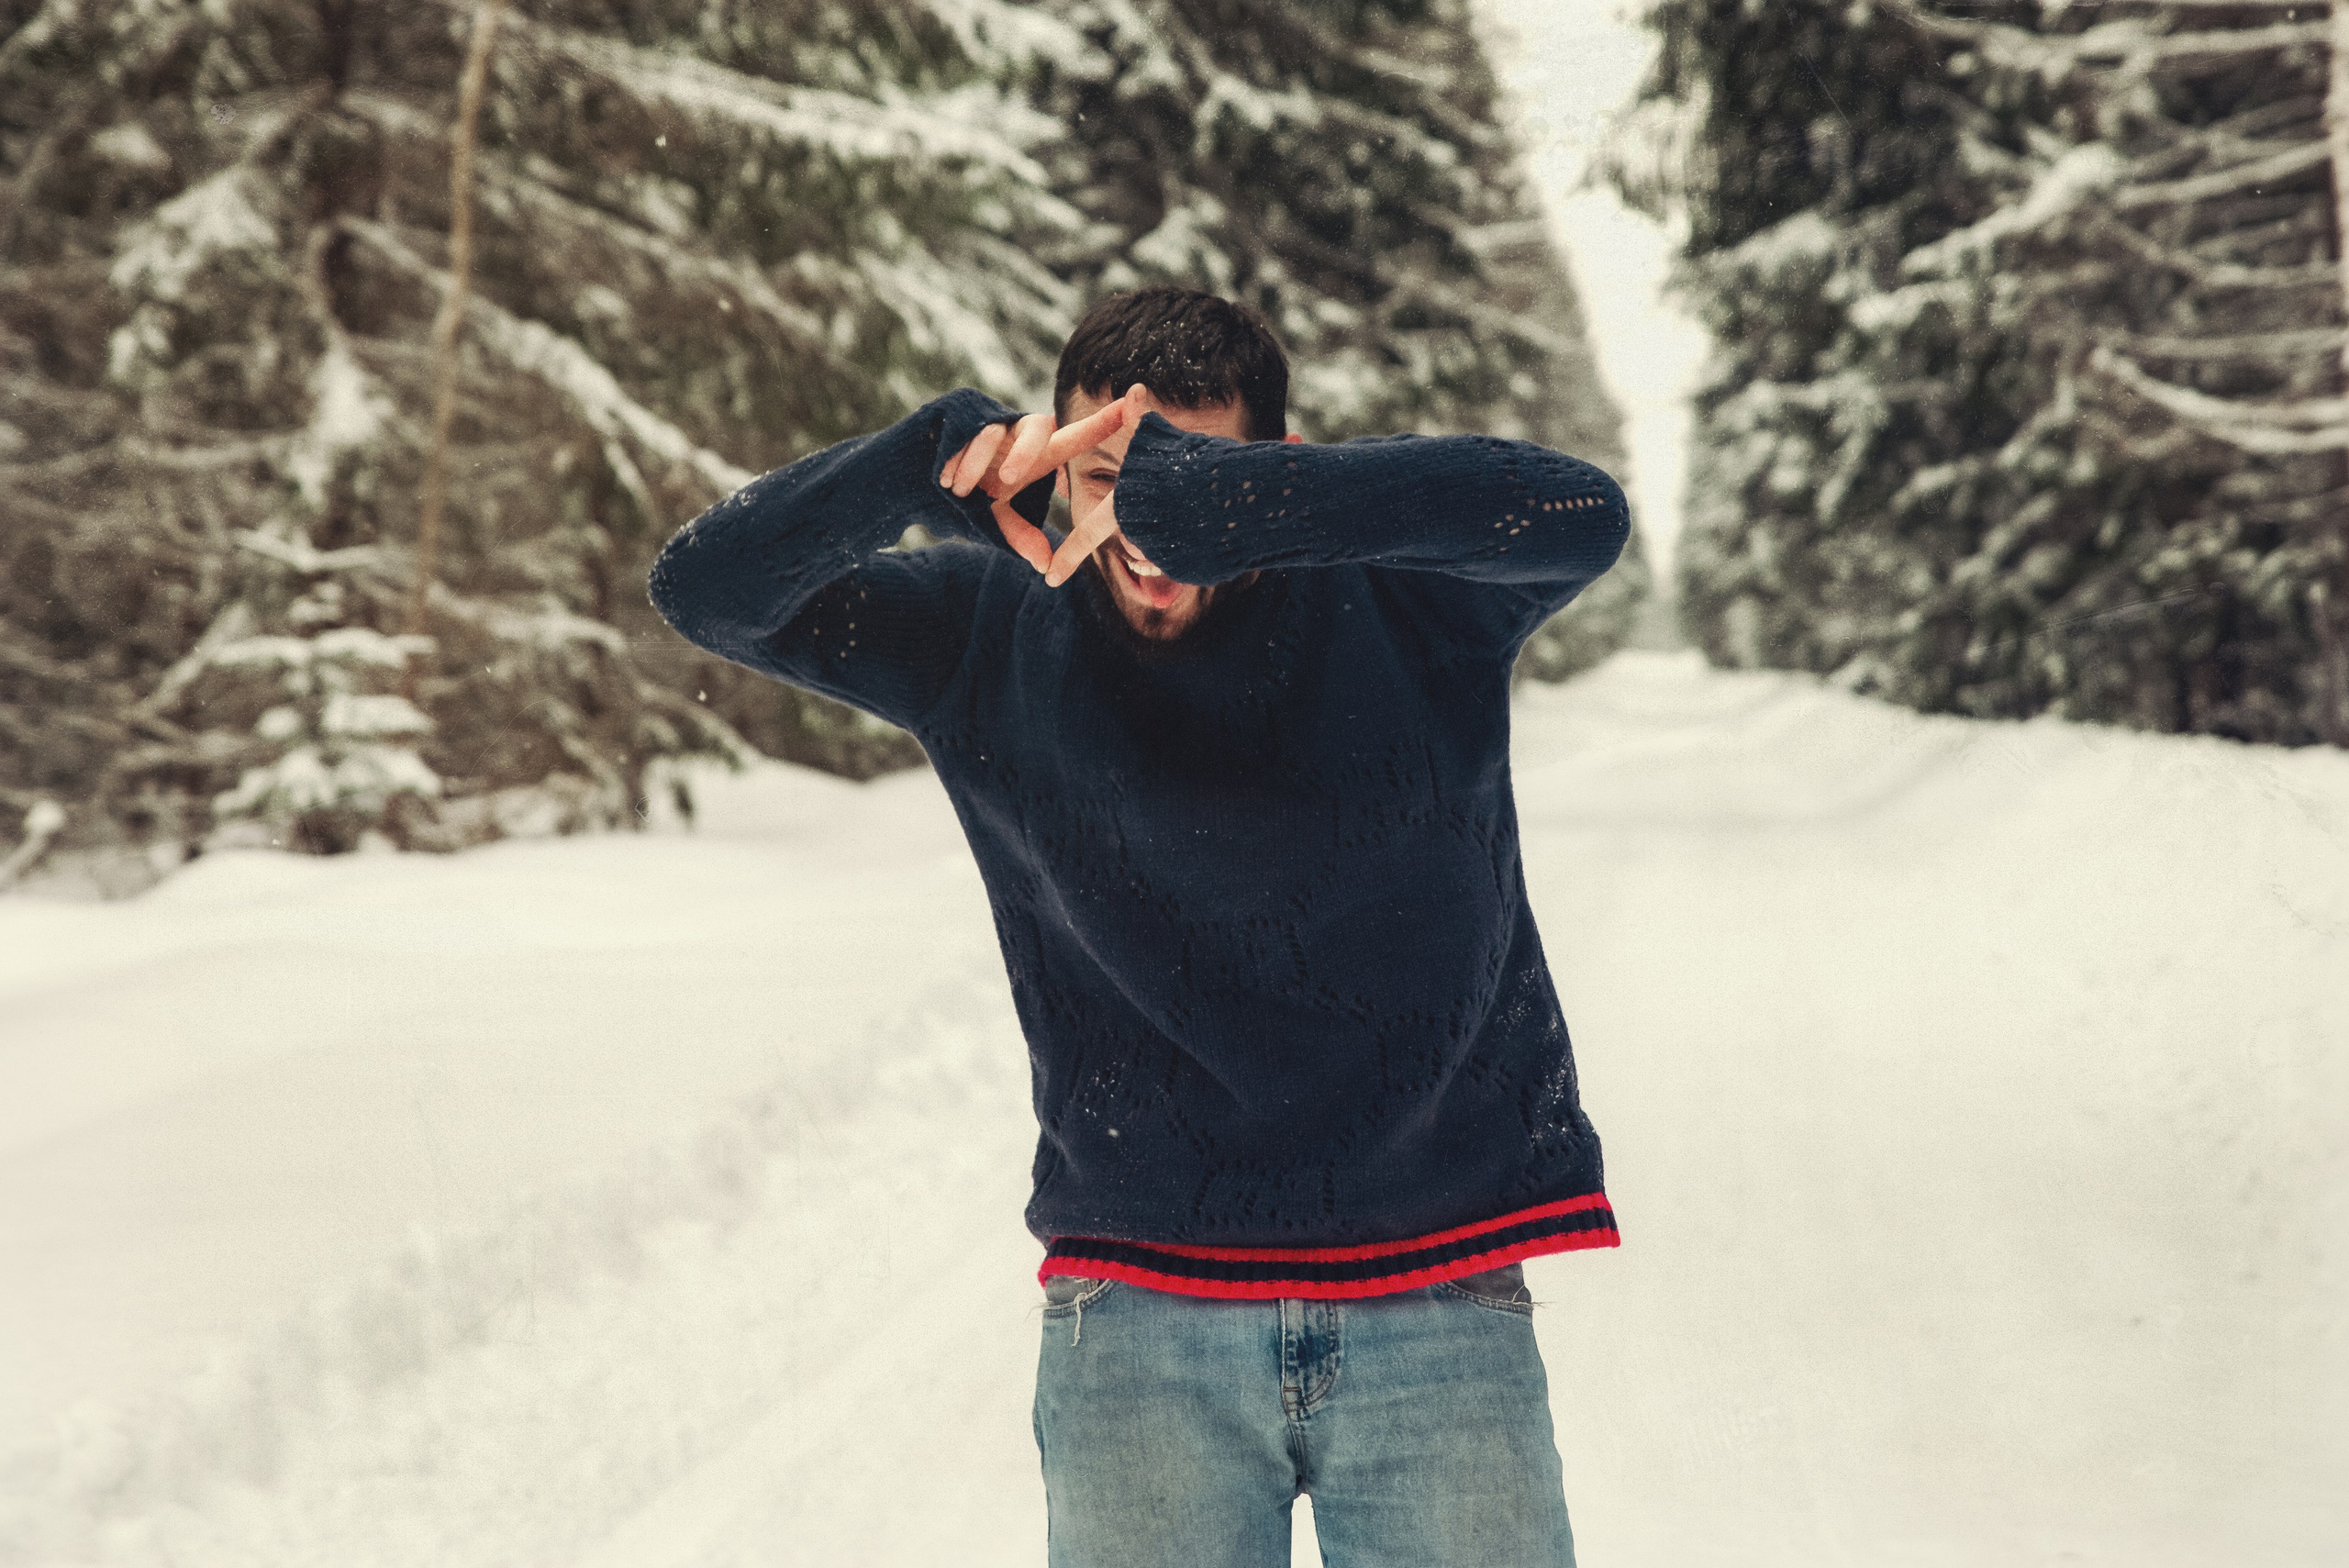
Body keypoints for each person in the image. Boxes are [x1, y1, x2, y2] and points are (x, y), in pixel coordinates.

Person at [649, 285, 1631, 1567]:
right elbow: (706, 590)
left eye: (1193, 487)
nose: (1148, 528)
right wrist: (908, 460)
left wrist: (1262, 505)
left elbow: (1580, 519)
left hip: (1437, 1292)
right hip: (1139, 1315)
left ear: (1272, 475)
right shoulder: (982, 629)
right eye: (1105, 477)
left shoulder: (1415, 599)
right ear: (1055, 462)